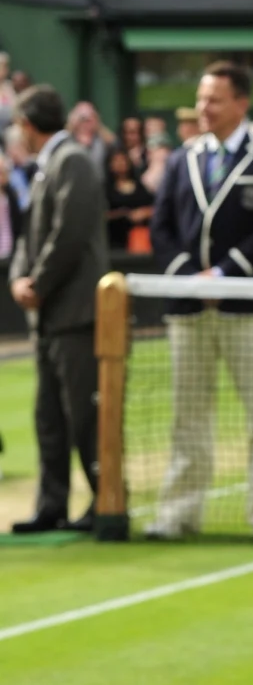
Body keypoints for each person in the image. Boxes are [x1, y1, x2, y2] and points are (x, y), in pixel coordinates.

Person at [146, 62, 253, 539]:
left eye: (214, 99)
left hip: (250, 307)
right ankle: (178, 514)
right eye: (201, 98)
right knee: (187, 415)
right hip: (190, 309)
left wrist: (226, 272)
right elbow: (161, 227)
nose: (203, 108)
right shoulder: (181, 158)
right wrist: (192, 278)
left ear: (241, 104)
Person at [8, 85, 108, 532]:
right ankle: (52, 506)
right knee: (48, 415)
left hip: (76, 314)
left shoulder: (73, 161)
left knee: (85, 416)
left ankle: (105, 503)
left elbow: (69, 234)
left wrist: (38, 283)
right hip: (50, 316)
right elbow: (31, 237)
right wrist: (19, 279)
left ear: (27, 125)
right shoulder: (50, 164)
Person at [104, 144, 154, 252]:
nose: (120, 163)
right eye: (116, 160)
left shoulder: (140, 187)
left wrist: (144, 212)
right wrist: (123, 214)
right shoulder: (104, 189)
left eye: (123, 160)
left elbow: (155, 207)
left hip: (139, 242)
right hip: (113, 242)